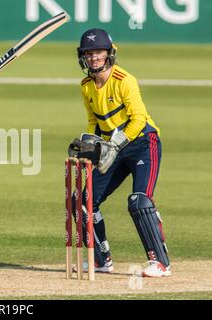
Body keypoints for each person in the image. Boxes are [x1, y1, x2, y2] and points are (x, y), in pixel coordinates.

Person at [68, 28, 171, 277]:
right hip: (113, 149)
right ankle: (101, 260)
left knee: (139, 201)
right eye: (89, 53)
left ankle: (160, 263)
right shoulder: (86, 86)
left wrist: (115, 144)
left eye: (99, 52)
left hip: (143, 143)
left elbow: (137, 119)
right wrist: (93, 146)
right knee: (82, 201)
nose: (94, 58)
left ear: (109, 54)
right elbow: (94, 121)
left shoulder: (125, 80)